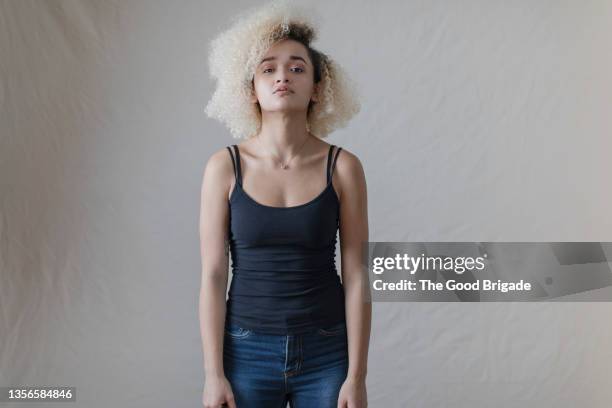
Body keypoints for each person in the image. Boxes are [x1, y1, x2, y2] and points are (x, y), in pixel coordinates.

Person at [199, 2, 370, 407]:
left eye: (297, 68)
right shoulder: (224, 167)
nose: (282, 77)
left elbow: (358, 275)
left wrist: (357, 377)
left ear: (317, 88)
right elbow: (211, 275)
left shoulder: (343, 167)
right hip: (244, 351)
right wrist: (212, 375)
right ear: (251, 88)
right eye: (268, 68)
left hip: (328, 352)